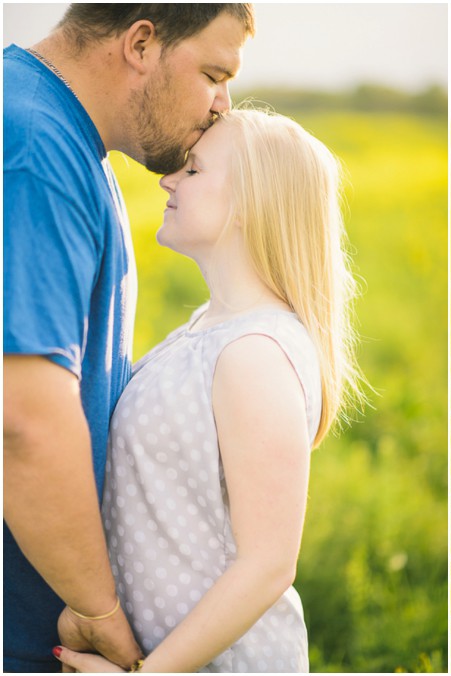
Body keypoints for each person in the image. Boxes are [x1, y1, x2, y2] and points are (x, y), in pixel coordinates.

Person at [55, 107, 366, 673]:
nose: (168, 179)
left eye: (193, 171)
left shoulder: (255, 354)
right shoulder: (209, 326)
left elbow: (268, 566)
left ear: (253, 202)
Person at [3, 5, 254, 672]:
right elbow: (22, 417)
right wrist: (101, 613)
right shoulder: (34, 148)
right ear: (142, 42)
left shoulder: (69, 141)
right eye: (213, 74)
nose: (223, 105)